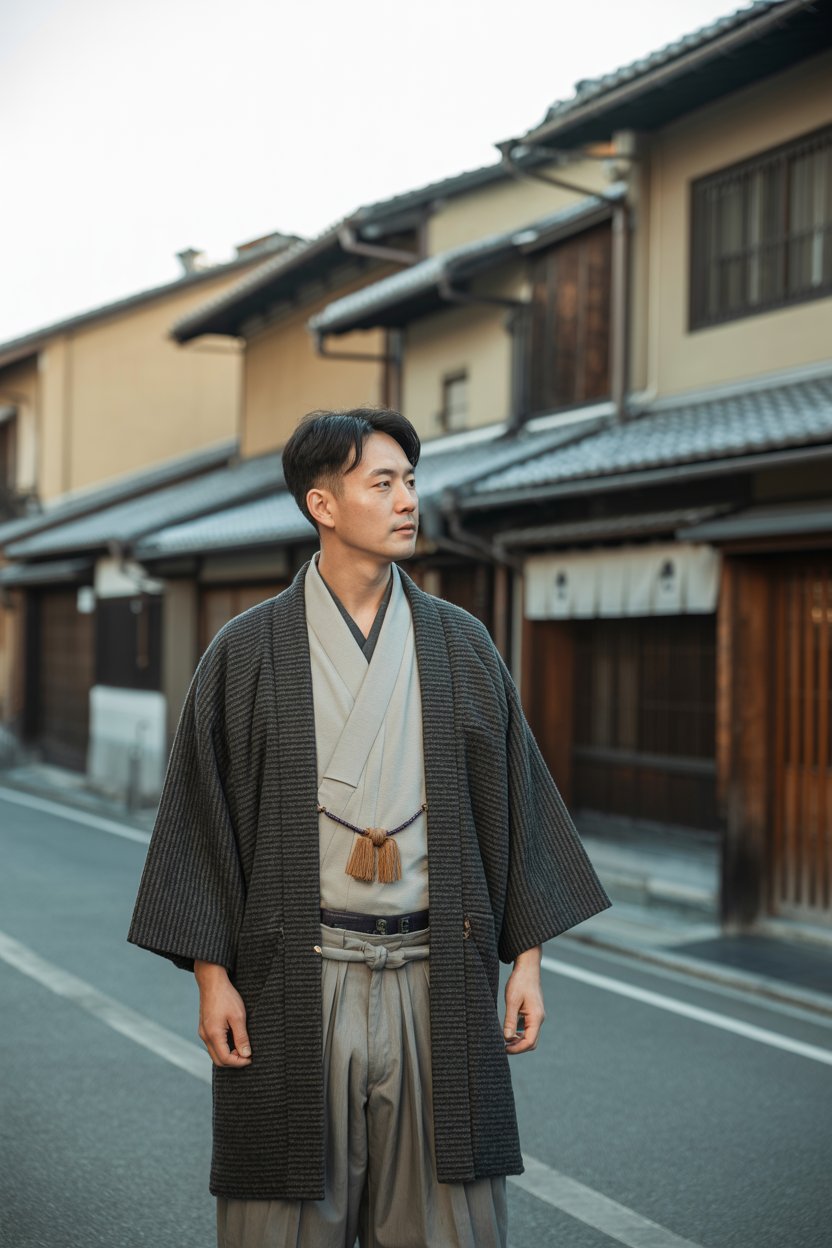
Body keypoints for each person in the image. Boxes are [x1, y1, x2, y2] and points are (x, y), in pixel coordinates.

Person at [128, 407, 610, 1248]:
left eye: (411, 482)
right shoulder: (245, 651)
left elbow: (515, 800)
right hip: (297, 975)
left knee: (447, 1218)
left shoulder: (461, 645)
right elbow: (199, 820)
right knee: (281, 1216)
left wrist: (527, 960)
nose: (406, 500)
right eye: (381, 483)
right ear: (323, 504)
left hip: (439, 973)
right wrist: (213, 978)